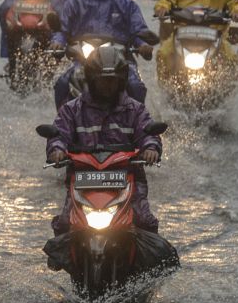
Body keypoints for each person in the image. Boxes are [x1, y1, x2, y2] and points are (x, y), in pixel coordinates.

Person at [45, 44, 162, 236]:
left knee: (144, 221)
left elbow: (147, 132)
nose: (108, 86)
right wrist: (56, 150)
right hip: (83, 179)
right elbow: (59, 134)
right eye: (103, 81)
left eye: (113, 81)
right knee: (64, 224)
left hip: (126, 178)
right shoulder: (72, 109)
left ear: (121, 81)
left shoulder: (135, 109)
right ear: (91, 80)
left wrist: (150, 148)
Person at [51, 0, 153, 107]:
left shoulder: (126, 3)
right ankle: (64, 126)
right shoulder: (75, 4)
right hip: (83, 61)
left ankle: (138, 124)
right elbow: (63, 31)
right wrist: (57, 42)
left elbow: (138, 31)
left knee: (135, 86)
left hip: (121, 61)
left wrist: (144, 45)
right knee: (62, 84)